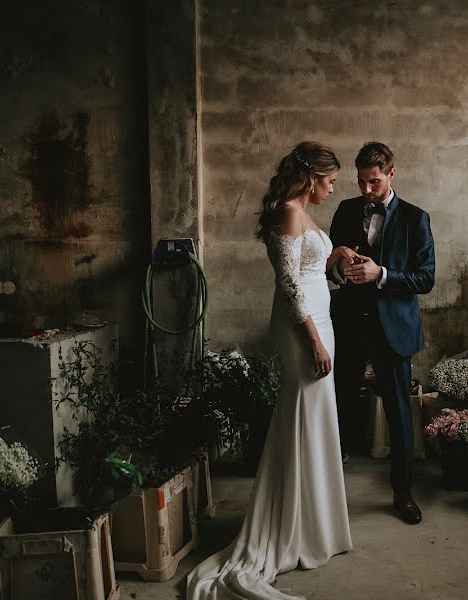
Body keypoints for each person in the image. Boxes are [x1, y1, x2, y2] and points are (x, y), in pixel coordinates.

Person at [187, 141, 357, 600]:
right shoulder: (287, 212)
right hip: (304, 333)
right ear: (311, 178)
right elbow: (289, 286)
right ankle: (292, 526)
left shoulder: (300, 214)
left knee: (316, 419)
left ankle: (313, 524)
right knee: (300, 415)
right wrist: (315, 341)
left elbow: (310, 269)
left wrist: (335, 254)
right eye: (330, 183)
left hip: (318, 325)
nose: (332, 191)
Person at [329, 141, 436, 525]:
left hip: (392, 330)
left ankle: (402, 493)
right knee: (336, 408)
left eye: (373, 181)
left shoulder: (415, 218)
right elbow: (330, 266)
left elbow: (426, 278)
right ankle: (327, 493)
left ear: (391, 174)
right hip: (348, 326)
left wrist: (382, 275)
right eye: (360, 181)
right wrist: (344, 270)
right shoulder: (344, 211)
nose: (365, 190)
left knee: (399, 416)